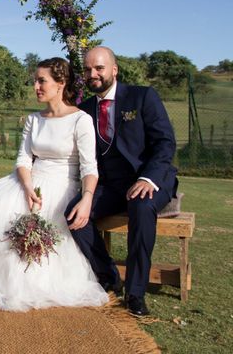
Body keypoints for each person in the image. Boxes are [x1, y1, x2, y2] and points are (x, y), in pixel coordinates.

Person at [0, 57, 108, 311]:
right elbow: (23, 159)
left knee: (29, 218)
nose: (36, 87)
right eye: (35, 81)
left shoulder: (80, 120)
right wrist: (28, 187)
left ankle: (23, 281)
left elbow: (89, 167)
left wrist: (87, 198)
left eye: (42, 81)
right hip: (30, 180)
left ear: (60, 83)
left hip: (63, 183)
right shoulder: (34, 119)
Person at [66, 46, 178, 317]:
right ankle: (108, 276)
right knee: (74, 213)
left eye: (99, 68)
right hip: (110, 186)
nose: (93, 74)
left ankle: (136, 293)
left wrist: (148, 178)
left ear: (114, 70)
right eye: (88, 69)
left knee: (141, 206)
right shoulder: (84, 110)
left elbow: (165, 143)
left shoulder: (142, 97)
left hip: (149, 179)